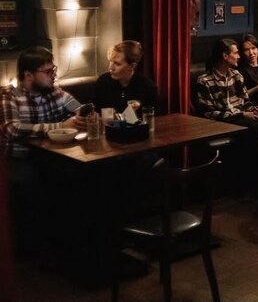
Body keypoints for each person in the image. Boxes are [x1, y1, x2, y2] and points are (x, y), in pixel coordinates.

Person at [0, 46, 87, 257]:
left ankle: (71, 242)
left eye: (53, 69)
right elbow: (12, 128)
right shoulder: (9, 96)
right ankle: (33, 249)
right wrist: (59, 126)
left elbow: (80, 109)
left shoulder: (55, 92)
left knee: (80, 175)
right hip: (18, 157)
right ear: (28, 75)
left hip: (51, 155)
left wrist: (86, 116)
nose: (53, 75)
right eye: (48, 71)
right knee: (30, 183)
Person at [194, 38, 258, 126]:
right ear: (225, 56)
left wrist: (254, 110)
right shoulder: (205, 81)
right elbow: (209, 113)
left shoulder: (237, 75)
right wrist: (241, 115)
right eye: (235, 53)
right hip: (223, 123)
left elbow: (245, 102)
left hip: (241, 118)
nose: (239, 56)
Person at [92, 40, 157, 112]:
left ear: (132, 66)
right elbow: (94, 112)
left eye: (117, 64)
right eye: (110, 61)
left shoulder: (147, 87)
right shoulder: (103, 82)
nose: (111, 67)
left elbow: (154, 116)